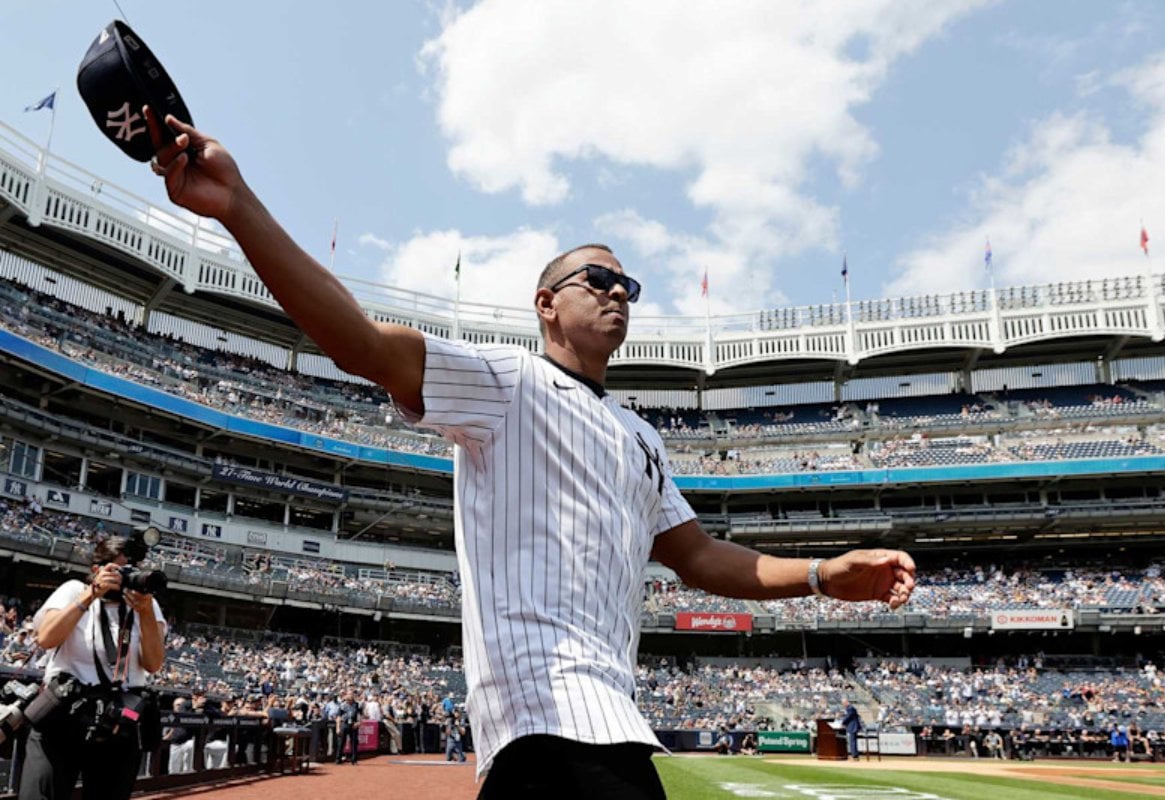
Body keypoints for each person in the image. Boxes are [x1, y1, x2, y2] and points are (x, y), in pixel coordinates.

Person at [146, 110, 917, 800]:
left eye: (630, 285)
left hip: (611, 721)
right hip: (544, 723)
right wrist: (240, 209)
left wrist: (822, 575)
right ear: (546, 303)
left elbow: (699, 557)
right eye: (599, 279)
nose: (619, 294)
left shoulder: (641, 436)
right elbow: (361, 344)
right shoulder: (507, 382)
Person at [18, 534, 167, 800]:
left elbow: (153, 663)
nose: (125, 579)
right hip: (63, 715)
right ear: (97, 570)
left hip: (117, 723)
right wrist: (89, 597)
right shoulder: (74, 590)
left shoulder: (147, 605)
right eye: (119, 570)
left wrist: (144, 612)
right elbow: (46, 638)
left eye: (132, 571)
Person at [334, 689, 360, 765]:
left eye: (351, 695)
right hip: (344, 724)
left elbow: (359, 715)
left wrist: (359, 722)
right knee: (341, 742)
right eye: (348, 695)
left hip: (353, 724)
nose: (350, 696)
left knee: (354, 742)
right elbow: (338, 717)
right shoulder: (342, 705)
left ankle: (354, 760)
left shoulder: (357, 705)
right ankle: (338, 759)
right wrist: (338, 727)